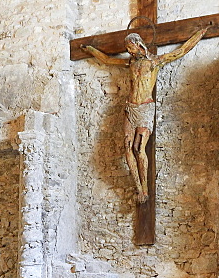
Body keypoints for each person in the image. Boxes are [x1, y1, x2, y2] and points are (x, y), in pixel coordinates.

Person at [82, 25, 209, 203]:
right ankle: (138, 188)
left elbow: (181, 51)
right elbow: (106, 60)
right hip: (130, 108)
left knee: (139, 148)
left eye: (130, 48)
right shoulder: (130, 63)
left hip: (145, 109)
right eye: (127, 49)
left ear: (139, 45)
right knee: (127, 148)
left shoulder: (154, 62)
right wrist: (90, 49)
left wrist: (200, 33)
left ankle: (145, 188)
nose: (129, 51)